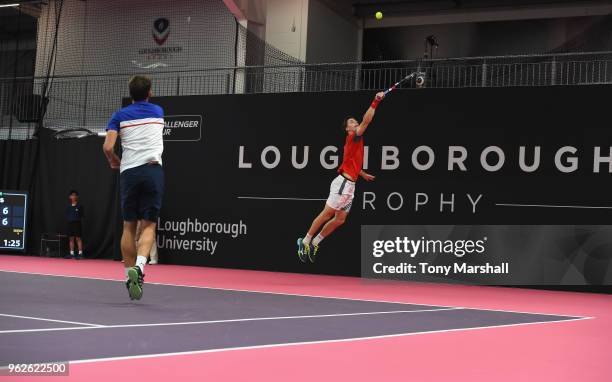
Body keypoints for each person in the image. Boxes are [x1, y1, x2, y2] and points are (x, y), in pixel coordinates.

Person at [297, 92, 385, 263]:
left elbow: (351, 162)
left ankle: (316, 242)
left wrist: (362, 173)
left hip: (350, 186)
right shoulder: (353, 136)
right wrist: (375, 101)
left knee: (340, 219)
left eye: (355, 121)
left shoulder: (354, 143)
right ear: (348, 129)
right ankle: (305, 241)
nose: (355, 122)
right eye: (352, 122)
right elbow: (367, 121)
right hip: (342, 184)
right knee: (327, 214)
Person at [103, 75, 164, 301]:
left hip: (129, 172)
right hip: (152, 170)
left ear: (130, 94)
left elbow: (108, 147)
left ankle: (130, 279)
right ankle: (140, 267)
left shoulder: (119, 116)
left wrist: (114, 161)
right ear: (150, 92)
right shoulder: (158, 112)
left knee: (128, 226)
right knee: (148, 226)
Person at [65, 190, 84, 259]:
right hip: (70, 224)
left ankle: (80, 254)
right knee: (71, 239)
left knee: (78, 238)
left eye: (75, 195)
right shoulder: (68, 206)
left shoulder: (79, 206)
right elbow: (67, 215)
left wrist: (77, 220)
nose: (73, 196)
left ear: (77, 197)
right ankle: (71, 254)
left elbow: (81, 215)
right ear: (70, 197)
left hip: (77, 224)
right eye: (72, 195)